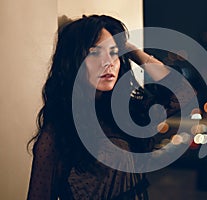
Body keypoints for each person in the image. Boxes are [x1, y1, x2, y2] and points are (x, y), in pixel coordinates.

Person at [27, 14, 195, 200]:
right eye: (95, 52)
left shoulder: (125, 113)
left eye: (114, 53)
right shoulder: (59, 131)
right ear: (73, 61)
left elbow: (183, 93)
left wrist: (132, 51)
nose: (108, 62)